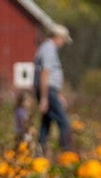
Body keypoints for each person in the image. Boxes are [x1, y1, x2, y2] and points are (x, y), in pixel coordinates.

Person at [34, 24, 72, 156]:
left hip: (50, 91)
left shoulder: (46, 48)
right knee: (64, 122)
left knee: (46, 122)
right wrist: (45, 98)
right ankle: (67, 153)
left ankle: (40, 152)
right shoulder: (49, 49)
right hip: (48, 91)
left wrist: (58, 94)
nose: (63, 44)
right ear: (58, 37)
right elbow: (45, 73)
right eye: (63, 40)